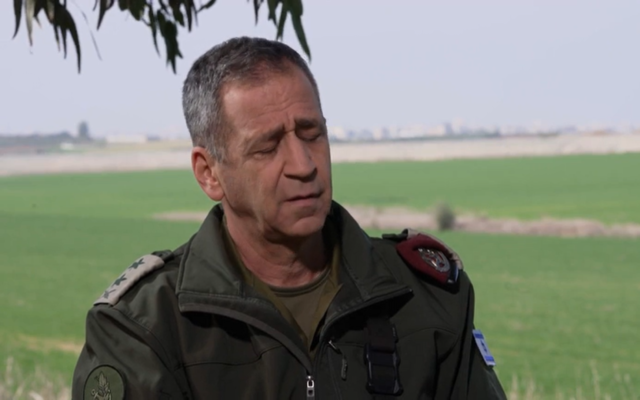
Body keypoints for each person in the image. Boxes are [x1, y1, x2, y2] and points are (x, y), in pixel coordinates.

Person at [72, 36, 507, 400]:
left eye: (311, 133)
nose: (303, 164)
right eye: (267, 147)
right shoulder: (144, 328)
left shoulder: (423, 297)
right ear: (209, 174)